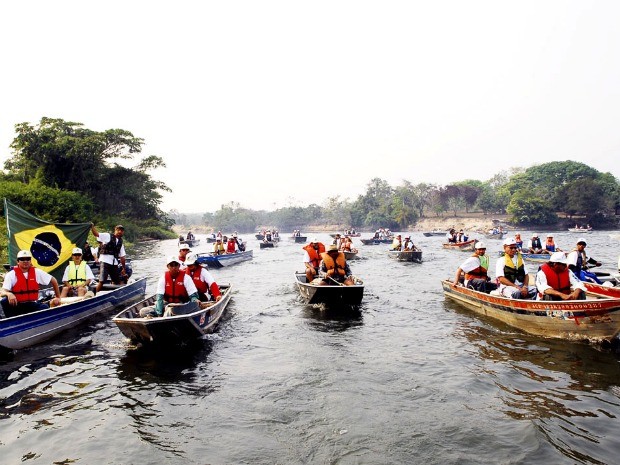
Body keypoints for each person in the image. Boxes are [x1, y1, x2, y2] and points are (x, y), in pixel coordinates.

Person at [1, 250, 61, 317]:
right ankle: (11, 323)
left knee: (44, 308)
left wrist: (58, 297)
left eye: (28, 259)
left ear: (30, 261)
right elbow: (2, 291)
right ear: (18, 261)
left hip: (32, 304)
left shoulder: (37, 272)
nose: (25, 261)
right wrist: (9, 294)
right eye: (22, 259)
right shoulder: (11, 275)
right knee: (4, 301)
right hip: (17, 305)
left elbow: (53, 280)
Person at [91, 223, 127, 293]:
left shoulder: (120, 242)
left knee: (117, 280)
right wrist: (92, 227)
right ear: (115, 230)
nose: (120, 232)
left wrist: (123, 268)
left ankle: (114, 293)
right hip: (105, 261)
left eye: (122, 230)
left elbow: (122, 257)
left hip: (114, 262)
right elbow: (96, 234)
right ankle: (94, 295)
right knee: (102, 280)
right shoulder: (108, 236)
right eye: (118, 230)